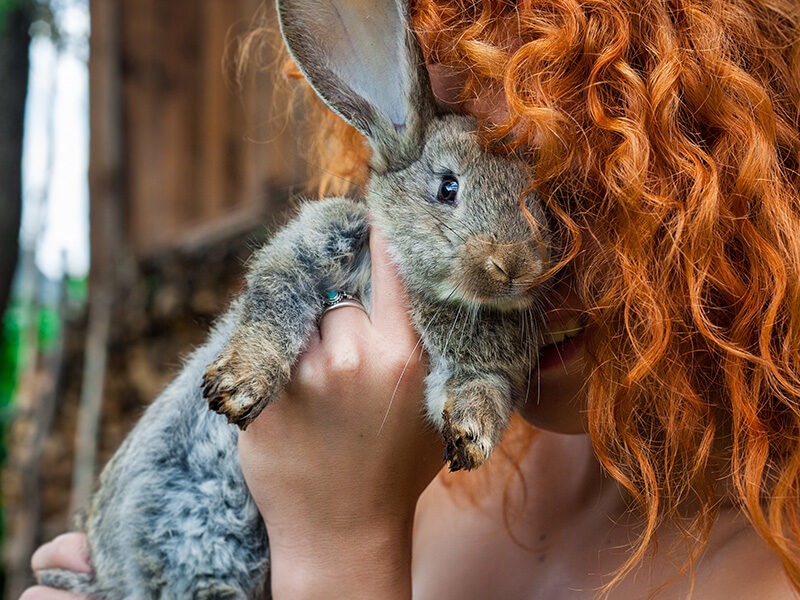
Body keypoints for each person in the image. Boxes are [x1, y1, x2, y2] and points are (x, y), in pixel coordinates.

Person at [22, 0, 800, 598]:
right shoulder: (412, 453)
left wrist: (339, 542)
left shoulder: (771, 567)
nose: (532, 267)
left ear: (731, 186)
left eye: (579, 188)